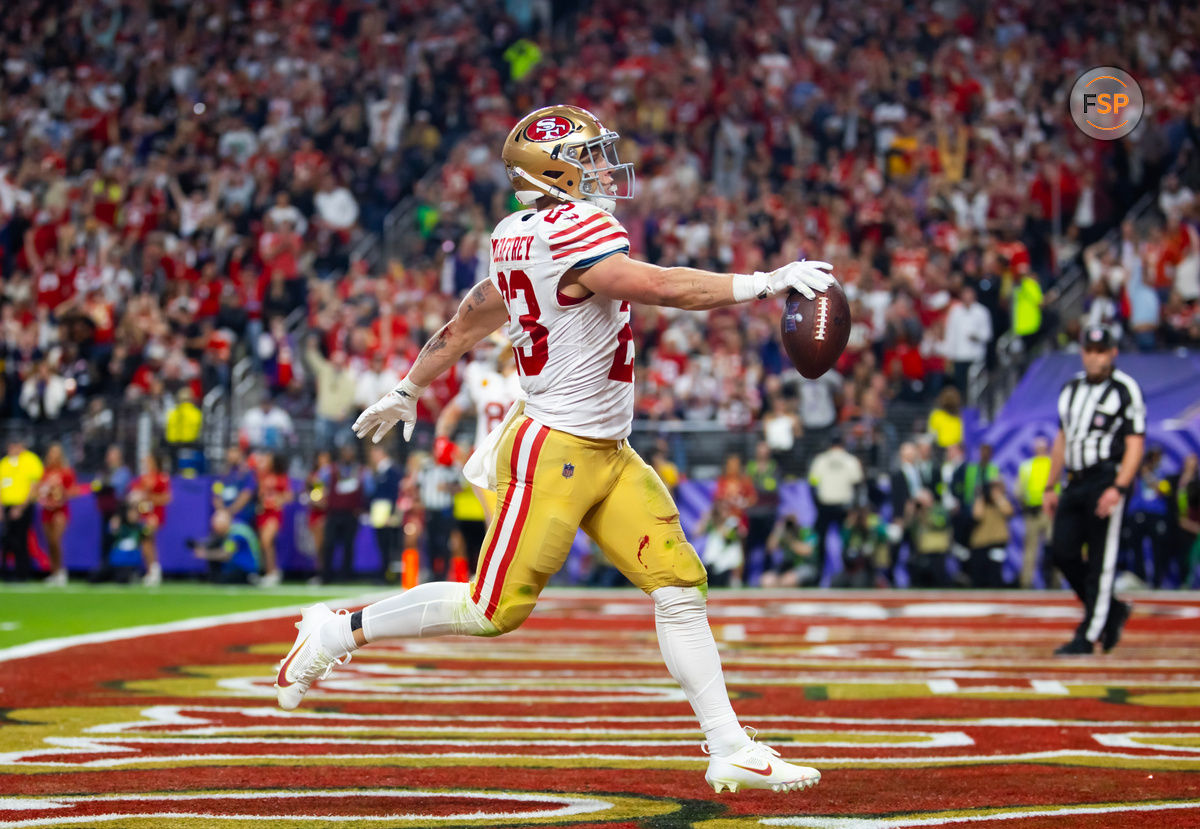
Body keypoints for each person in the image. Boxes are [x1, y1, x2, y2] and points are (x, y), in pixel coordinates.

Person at [276, 104, 834, 794]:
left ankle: (729, 745)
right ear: (553, 168)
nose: (603, 167)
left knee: (680, 584)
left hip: (608, 449)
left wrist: (410, 384)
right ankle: (337, 630)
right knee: (493, 608)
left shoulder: (517, 232)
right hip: (555, 451)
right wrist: (762, 282)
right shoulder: (580, 227)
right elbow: (656, 286)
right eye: (589, 154)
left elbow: (474, 313)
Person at [1044, 325, 1145, 655]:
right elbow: (1063, 440)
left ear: (1113, 353)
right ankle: (1112, 611)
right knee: (1062, 551)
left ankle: (1088, 634)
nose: (1094, 357)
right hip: (1074, 479)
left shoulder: (1125, 389)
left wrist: (1118, 487)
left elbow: (1135, 443)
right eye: (1089, 350)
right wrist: (1050, 484)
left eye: (1101, 351)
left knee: (1101, 559)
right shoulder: (1070, 388)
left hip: (1105, 478)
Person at [807, 434, 864, 583]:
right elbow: (857, 484)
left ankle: (817, 575)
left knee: (820, 543)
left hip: (824, 505)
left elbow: (813, 484)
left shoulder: (820, 460)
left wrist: (817, 504)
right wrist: (855, 509)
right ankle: (848, 576)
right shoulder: (851, 460)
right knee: (847, 542)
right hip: (844, 507)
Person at [0, 437, 43, 582]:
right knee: (6, 540)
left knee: (21, 539)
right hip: (6, 506)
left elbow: (33, 487)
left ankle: (22, 573)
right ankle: (6, 572)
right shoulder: (5, 462)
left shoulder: (31, 460)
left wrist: (20, 508)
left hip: (23, 506)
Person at [1015, 436, 1055, 589]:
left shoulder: (1050, 464)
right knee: (1031, 550)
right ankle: (1026, 582)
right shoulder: (1028, 466)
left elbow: (1018, 491)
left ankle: (1052, 581)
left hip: (1047, 512)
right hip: (1035, 512)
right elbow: (1019, 490)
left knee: (1051, 549)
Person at [36, 443, 77, 586]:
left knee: (56, 540)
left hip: (60, 511)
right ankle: (54, 572)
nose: (54, 456)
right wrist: (43, 496)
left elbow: (73, 490)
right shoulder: (45, 472)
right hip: (47, 510)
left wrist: (62, 494)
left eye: (56, 453)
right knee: (49, 542)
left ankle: (61, 571)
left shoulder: (66, 472)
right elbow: (39, 490)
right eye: (52, 453)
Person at [128, 453, 171, 586]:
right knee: (146, 542)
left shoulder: (162, 478)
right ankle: (152, 569)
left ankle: (154, 570)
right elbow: (134, 494)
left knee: (147, 538)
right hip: (145, 514)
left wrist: (148, 497)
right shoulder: (144, 478)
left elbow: (166, 498)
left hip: (155, 515)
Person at [189, 508, 262, 584]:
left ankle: (251, 578)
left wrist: (204, 554)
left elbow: (226, 555)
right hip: (238, 569)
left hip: (245, 570)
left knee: (220, 581)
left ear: (226, 522)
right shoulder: (233, 529)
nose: (215, 527)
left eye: (217, 523)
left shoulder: (236, 533)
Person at [969, 479, 1013, 588]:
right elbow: (977, 515)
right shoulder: (981, 501)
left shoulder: (1002, 500)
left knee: (995, 571)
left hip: (998, 540)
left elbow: (1008, 512)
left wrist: (998, 497)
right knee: (979, 573)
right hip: (981, 541)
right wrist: (980, 497)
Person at [256, 452, 292, 586]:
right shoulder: (262, 476)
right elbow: (260, 494)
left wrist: (278, 500)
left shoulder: (281, 476)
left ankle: (273, 572)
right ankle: (268, 572)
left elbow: (288, 496)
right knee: (264, 544)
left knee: (267, 540)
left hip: (274, 513)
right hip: (263, 512)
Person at [759, 513, 818, 587]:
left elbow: (808, 551)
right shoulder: (784, 532)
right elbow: (770, 548)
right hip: (787, 566)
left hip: (806, 566)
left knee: (788, 580)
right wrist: (778, 529)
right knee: (766, 580)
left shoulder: (807, 531)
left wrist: (790, 541)